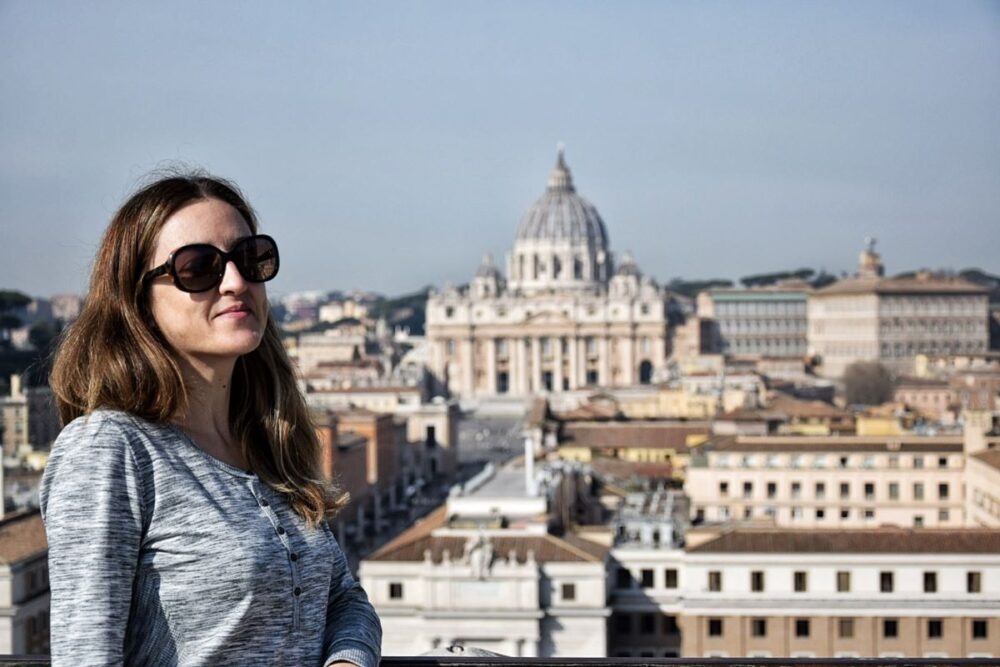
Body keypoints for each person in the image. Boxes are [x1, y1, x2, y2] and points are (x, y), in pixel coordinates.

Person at [39, 173, 382, 666]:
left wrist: (347, 662)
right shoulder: (108, 450)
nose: (237, 282)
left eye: (251, 258)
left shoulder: (267, 443)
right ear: (137, 300)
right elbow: (85, 656)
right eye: (198, 268)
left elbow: (345, 600)